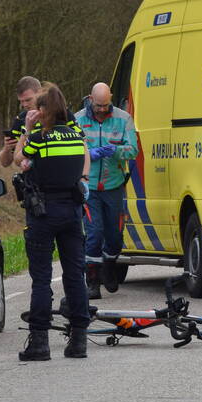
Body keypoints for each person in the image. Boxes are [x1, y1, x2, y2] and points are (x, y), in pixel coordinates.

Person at [13, 83, 91, 361]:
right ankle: (79, 339)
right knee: (74, 275)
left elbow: (20, 158)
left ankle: (40, 342)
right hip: (72, 211)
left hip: (43, 211)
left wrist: (27, 130)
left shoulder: (41, 138)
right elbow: (84, 155)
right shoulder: (76, 133)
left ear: (45, 110)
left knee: (42, 279)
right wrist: (83, 181)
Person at [74, 82, 137, 299]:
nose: (102, 109)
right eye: (98, 105)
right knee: (94, 233)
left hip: (114, 186)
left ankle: (109, 265)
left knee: (114, 235)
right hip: (89, 186)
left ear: (110, 99)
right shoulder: (77, 120)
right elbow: (72, 152)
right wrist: (90, 154)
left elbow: (133, 150)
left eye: (106, 104)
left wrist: (116, 151)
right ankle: (92, 281)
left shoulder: (123, 118)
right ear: (91, 100)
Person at [0, 76, 41, 168]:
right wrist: (7, 148)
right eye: (21, 101)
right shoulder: (20, 119)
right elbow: (5, 163)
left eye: (28, 100)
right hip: (30, 180)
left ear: (40, 93)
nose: (25, 105)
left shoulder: (58, 114)